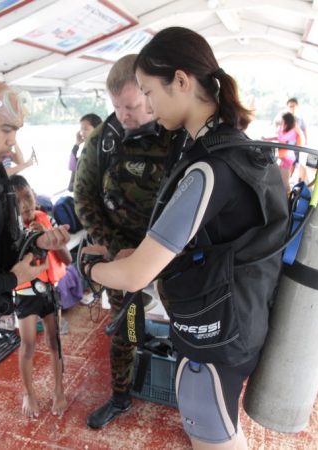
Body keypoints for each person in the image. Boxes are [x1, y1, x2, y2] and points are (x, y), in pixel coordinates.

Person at [80, 27, 289, 449]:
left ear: (181, 81)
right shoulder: (232, 147)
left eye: (148, 90)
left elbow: (137, 274)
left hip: (217, 338)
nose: (149, 105)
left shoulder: (209, 167)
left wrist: (91, 268)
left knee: (214, 436)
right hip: (235, 320)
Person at [74, 54, 186, 429]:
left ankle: (190, 389)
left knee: (187, 320)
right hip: (121, 252)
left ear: (151, 97)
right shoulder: (101, 140)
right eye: (117, 106)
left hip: (172, 251)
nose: (124, 115)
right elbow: (83, 199)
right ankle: (121, 396)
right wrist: (111, 247)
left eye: (133, 106)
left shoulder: (177, 134)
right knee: (126, 324)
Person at [0, 79, 70, 450]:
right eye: (6, 129)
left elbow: (9, 243)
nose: (12, 141)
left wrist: (39, 240)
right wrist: (9, 278)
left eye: (16, 131)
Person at [11, 174, 72, 418]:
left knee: (54, 340)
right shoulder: (10, 230)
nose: (25, 205)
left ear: (35, 195)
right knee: (28, 345)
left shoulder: (46, 220)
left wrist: (48, 234)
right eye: (17, 201)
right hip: (25, 294)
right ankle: (29, 392)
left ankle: (59, 390)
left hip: (48, 292)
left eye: (27, 197)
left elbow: (67, 259)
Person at [265, 112, 304, 192]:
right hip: (282, 158)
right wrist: (267, 139)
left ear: (287, 121)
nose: (282, 122)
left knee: (285, 182)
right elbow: (279, 137)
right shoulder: (285, 129)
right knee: (277, 178)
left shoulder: (293, 131)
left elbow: (283, 139)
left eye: (283, 120)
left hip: (288, 158)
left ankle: (287, 200)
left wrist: (280, 130)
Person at [68, 113, 102, 191]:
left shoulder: (99, 149)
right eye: (81, 129)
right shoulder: (87, 148)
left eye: (86, 129)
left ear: (97, 130)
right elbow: (72, 166)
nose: (82, 132)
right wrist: (76, 144)